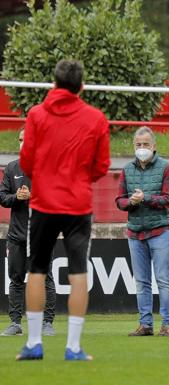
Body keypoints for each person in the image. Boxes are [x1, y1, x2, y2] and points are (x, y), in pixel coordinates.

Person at [16, 59, 110, 361]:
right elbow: (101, 167)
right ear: (81, 86)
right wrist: (80, 179)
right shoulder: (96, 118)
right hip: (78, 205)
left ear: (54, 83)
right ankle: (73, 347)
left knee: (36, 269)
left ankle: (33, 343)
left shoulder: (36, 115)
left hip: (43, 203)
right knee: (78, 271)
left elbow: (26, 161)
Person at [115, 126, 169, 337]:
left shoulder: (166, 167)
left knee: (163, 279)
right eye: (138, 145)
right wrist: (130, 202)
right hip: (135, 233)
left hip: (160, 231)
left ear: (154, 146)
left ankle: (167, 325)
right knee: (141, 282)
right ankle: (145, 324)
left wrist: (145, 198)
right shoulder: (126, 169)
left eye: (146, 145)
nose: (142, 148)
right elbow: (119, 200)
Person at [0, 128, 56, 337]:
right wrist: (17, 197)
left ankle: (47, 323)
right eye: (21, 139)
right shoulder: (12, 167)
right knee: (15, 279)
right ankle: (15, 323)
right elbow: (2, 197)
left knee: (45, 279)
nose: (24, 143)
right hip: (16, 236)